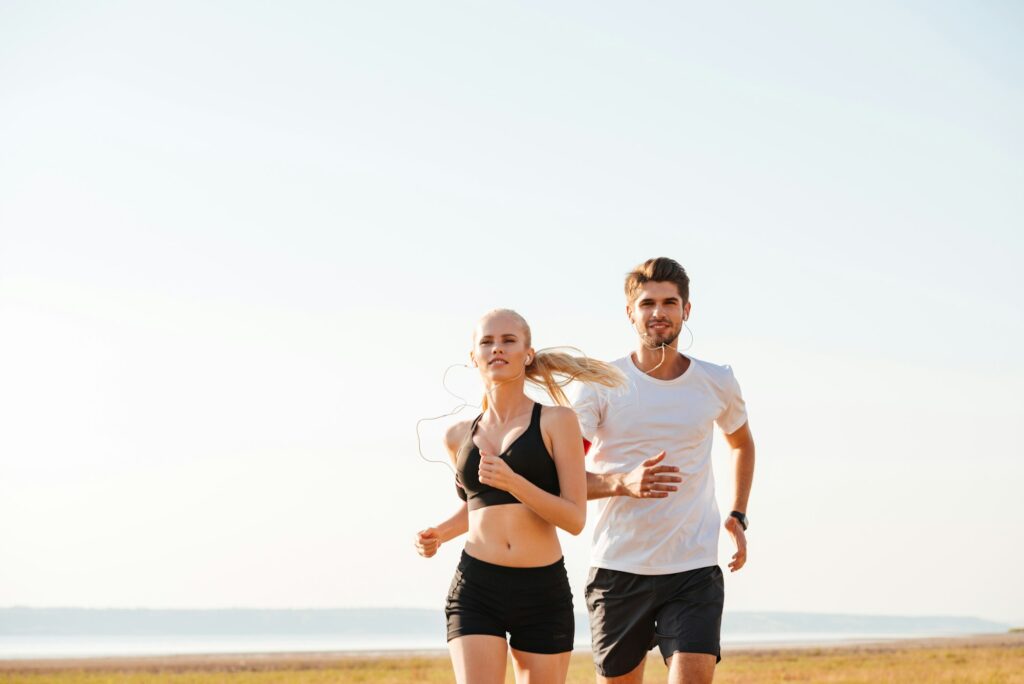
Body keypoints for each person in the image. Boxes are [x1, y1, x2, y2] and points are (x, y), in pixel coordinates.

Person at [415, 308, 626, 684]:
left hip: (541, 590)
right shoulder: (457, 436)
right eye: (487, 342)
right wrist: (439, 534)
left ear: (528, 353)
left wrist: (515, 483)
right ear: (473, 357)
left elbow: (574, 518)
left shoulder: (557, 421)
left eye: (508, 341)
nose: (497, 348)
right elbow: (477, 508)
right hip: (476, 586)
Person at [575, 257, 756, 684]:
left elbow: (742, 443)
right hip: (618, 569)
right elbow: (564, 477)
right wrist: (623, 482)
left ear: (686, 310)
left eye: (670, 303)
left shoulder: (717, 381)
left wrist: (738, 513)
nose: (659, 313)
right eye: (647, 303)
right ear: (630, 313)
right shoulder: (600, 384)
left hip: (693, 569)